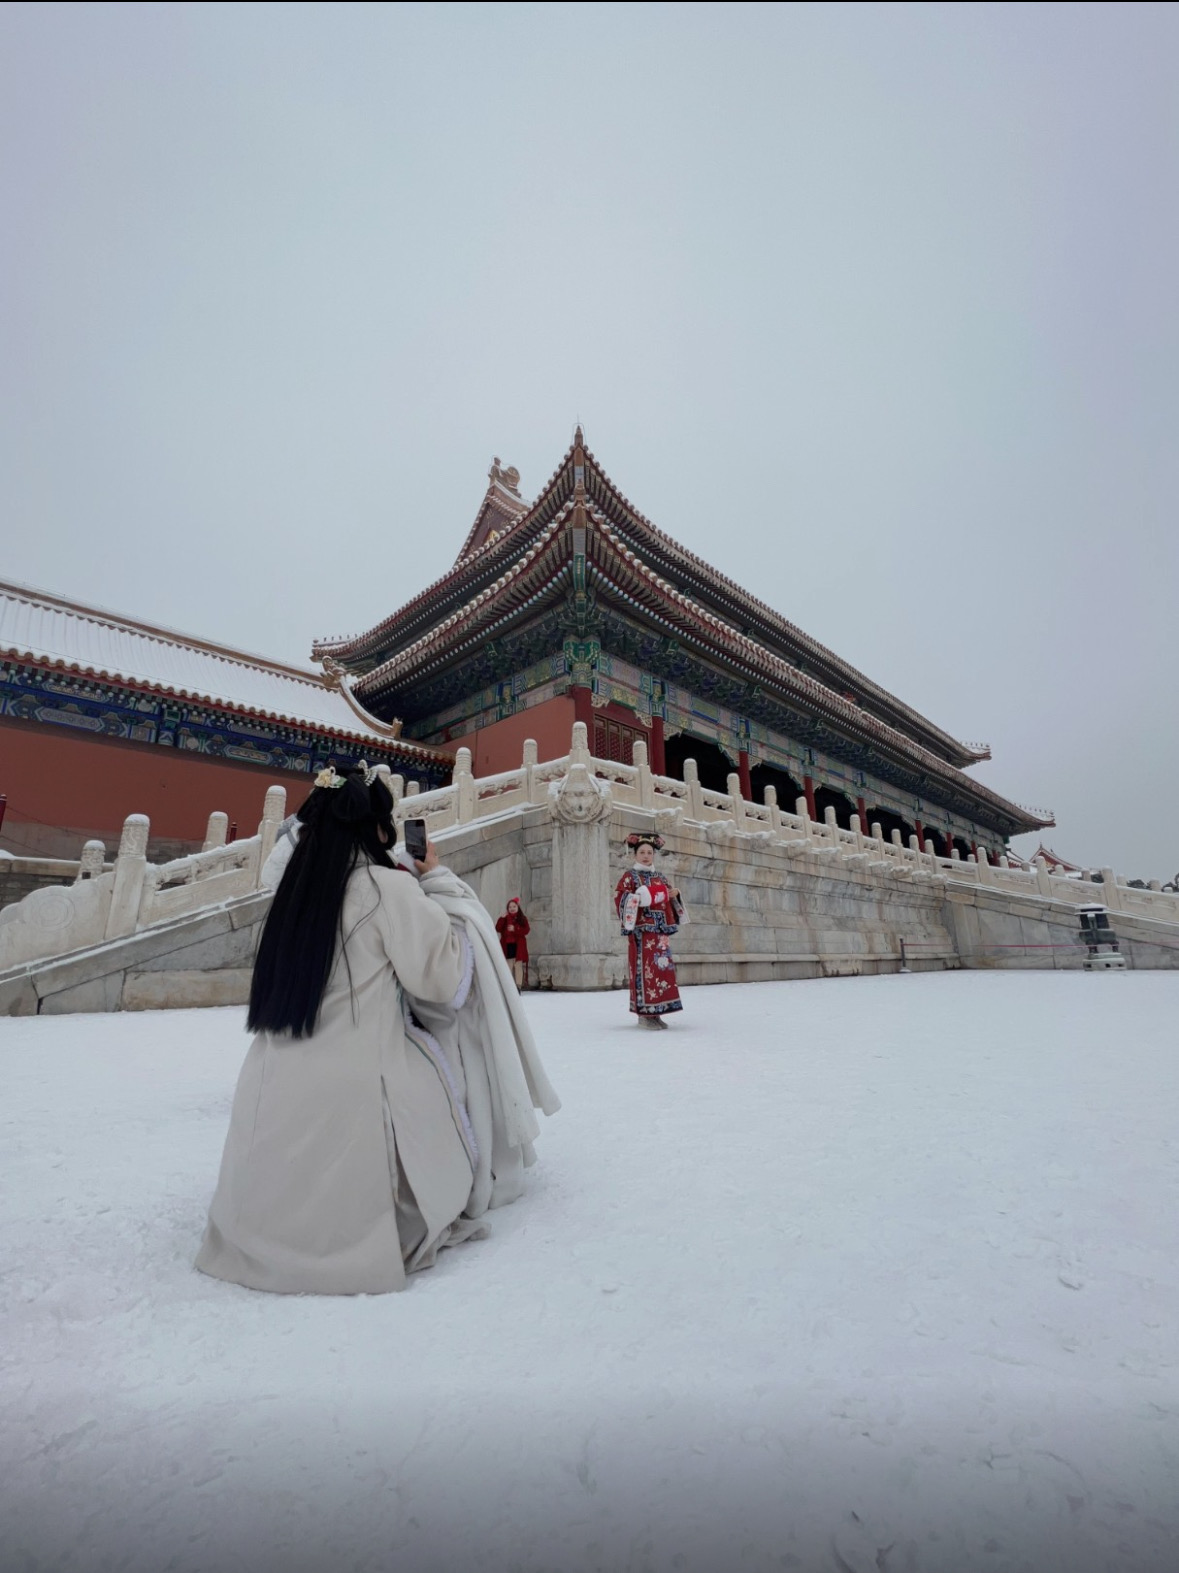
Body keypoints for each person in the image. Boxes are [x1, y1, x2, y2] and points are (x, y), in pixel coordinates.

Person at [195, 762, 557, 1296]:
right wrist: (436, 881)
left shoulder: (292, 895)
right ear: (379, 830)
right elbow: (445, 980)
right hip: (356, 1091)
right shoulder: (386, 888)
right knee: (441, 1059)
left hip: (268, 1101)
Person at [614, 831, 687, 1030]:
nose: (646, 856)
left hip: (660, 933)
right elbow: (621, 899)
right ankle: (644, 1014)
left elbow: (668, 900)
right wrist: (639, 898)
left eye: (649, 852)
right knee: (644, 970)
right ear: (635, 855)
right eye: (642, 852)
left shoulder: (660, 877)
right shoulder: (629, 877)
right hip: (642, 932)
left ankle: (658, 1011)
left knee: (661, 970)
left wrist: (674, 894)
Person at [495, 898, 530, 989]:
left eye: (514, 906)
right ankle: (508, 987)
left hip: (518, 946)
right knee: (508, 966)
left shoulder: (522, 918)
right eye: (510, 907)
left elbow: (526, 930)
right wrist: (502, 918)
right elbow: (498, 928)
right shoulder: (505, 918)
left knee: (518, 966)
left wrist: (515, 929)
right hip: (507, 946)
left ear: (518, 907)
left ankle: (518, 986)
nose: (512, 908)